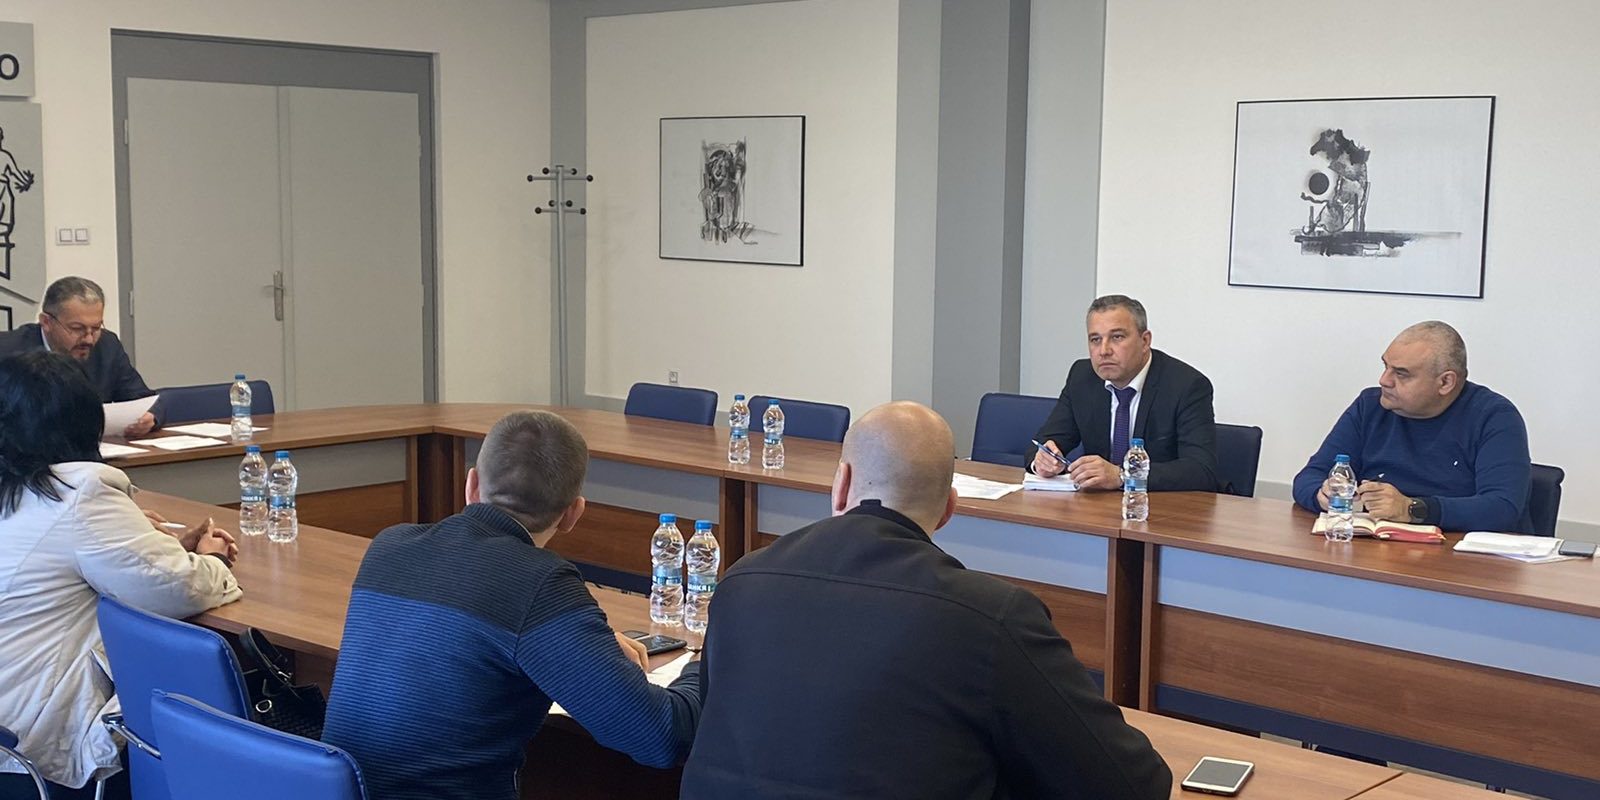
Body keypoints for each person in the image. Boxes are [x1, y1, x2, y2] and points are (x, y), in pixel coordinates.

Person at [680, 402, 1172, 799]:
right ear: (948, 510)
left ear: (841, 484)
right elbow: (1132, 784)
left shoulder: (742, 580)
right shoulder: (992, 617)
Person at [321, 410, 703, 800]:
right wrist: (704, 665)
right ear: (574, 513)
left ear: (471, 485)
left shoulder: (389, 546)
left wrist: (588, 647)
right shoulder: (541, 584)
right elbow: (660, 737)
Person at [0, 351, 240, 800]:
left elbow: (73, 559)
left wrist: (158, 544)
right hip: (32, 749)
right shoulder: (78, 494)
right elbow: (176, 588)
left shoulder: (17, 487)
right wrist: (214, 560)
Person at [1293, 321, 1533, 533]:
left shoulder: (1494, 416)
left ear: (1445, 382)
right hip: (1376, 549)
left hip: (1459, 558)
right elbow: (1309, 477)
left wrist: (1411, 509)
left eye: (1401, 374)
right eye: (1385, 366)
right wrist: (1321, 495)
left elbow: (1503, 507)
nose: (1384, 380)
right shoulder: (1369, 407)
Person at [1029, 294, 1221, 492]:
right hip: (1096, 505)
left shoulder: (1186, 385)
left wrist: (1122, 475)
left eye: (1117, 337)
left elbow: (1201, 470)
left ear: (1145, 341)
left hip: (1159, 505)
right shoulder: (1082, 377)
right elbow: (1044, 442)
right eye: (1095, 339)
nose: (1104, 350)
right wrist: (1042, 460)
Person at [0, 277, 163, 437]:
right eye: (77, 328)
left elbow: (146, 400)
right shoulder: (8, 351)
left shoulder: (107, 346)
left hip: (94, 450)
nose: (89, 339)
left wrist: (151, 417)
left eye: (96, 328)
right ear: (46, 322)